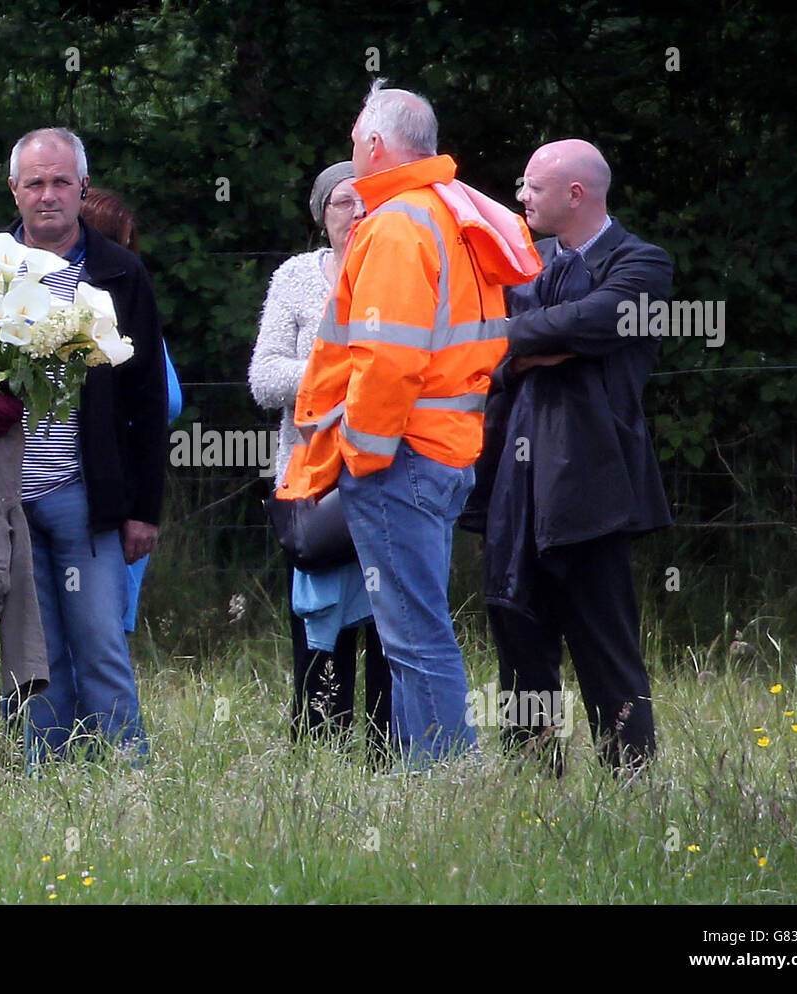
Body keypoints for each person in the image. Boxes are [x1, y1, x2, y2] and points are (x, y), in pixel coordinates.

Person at [279, 80, 538, 767]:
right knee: (415, 629)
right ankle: (444, 772)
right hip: (443, 451)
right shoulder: (450, 212)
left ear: (373, 144)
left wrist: (360, 456)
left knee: (412, 634)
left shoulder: (396, 224)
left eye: (354, 140)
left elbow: (388, 360)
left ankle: (445, 775)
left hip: (401, 459)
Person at [458, 139, 672, 776]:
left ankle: (629, 781)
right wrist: (537, 343)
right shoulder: (525, 264)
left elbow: (601, 319)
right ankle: (531, 782)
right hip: (512, 488)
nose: (520, 198)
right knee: (517, 637)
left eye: (532, 187)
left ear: (575, 193)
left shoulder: (643, 263)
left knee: (605, 644)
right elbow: (490, 339)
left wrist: (531, 340)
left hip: (590, 488)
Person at [0, 128, 168, 762]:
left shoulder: (119, 271)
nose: (47, 196)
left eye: (59, 182)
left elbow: (148, 400)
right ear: (13, 190)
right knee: (32, 649)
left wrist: (142, 509)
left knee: (100, 639)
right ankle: (41, 775)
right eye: (34, 183)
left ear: (82, 187)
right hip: (6, 498)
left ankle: (126, 772)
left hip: (86, 492)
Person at [249, 161, 390, 762]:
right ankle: (320, 764)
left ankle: (393, 759)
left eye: (367, 202)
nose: (355, 213)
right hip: (312, 485)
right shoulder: (296, 278)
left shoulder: (404, 275)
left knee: (391, 632)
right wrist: (338, 372)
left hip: (392, 480)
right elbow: (264, 377)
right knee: (319, 630)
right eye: (340, 202)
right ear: (320, 213)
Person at [78, 187, 183, 634]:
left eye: (127, 244)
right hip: (85, 488)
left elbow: (168, 399)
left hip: (128, 484)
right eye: (112, 242)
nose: (122, 257)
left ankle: (108, 707)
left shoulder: (132, 310)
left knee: (109, 629)